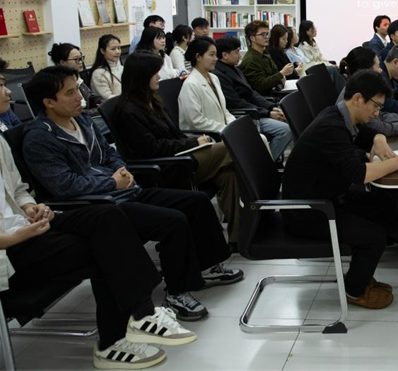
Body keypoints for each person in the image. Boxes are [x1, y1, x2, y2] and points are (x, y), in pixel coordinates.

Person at [21, 65, 244, 322]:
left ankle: (207, 266)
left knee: (197, 201)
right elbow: (64, 185)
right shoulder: (39, 138)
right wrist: (111, 182)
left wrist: (121, 171)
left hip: (123, 190)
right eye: (69, 93)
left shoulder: (81, 120)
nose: (79, 98)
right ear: (48, 102)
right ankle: (177, 292)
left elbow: (109, 153)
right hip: (99, 206)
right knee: (172, 221)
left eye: (77, 90)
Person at [0, 137, 197, 370]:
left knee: (106, 216)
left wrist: (31, 208)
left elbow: (18, 189)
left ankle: (141, 315)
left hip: (25, 227)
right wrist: (16, 236)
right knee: (104, 246)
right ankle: (122, 332)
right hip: (8, 249)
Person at [282, 70, 398, 309]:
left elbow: (367, 135)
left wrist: (378, 138)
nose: (377, 113)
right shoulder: (331, 127)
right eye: (375, 106)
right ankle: (354, 290)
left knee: (386, 205)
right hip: (309, 211)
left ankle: (360, 274)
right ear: (358, 99)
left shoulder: (338, 115)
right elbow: (359, 174)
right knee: (374, 236)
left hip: (327, 197)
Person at [114, 52, 242, 245]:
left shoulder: (152, 100)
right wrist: (193, 143)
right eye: (155, 73)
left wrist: (196, 141)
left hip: (182, 156)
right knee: (231, 147)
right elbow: (152, 149)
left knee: (229, 175)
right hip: (168, 167)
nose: (159, 77)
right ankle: (265, 195)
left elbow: (174, 134)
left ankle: (238, 238)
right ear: (142, 76)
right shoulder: (128, 111)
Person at [213, 36, 294, 162]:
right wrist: (267, 113)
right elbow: (236, 103)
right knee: (285, 131)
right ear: (225, 55)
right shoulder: (219, 75)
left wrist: (271, 107)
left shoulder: (235, 69)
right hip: (246, 115)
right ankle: (262, 165)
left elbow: (252, 93)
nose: (239, 55)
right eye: (237, 52)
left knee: (290, 119)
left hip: (255, 111)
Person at [339, 46, 398, 136]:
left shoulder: (361, 87)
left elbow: (379, 115)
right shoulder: (358, 93)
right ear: (366, 71)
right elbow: (378, 127)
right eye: (378, 66)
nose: (381, 71)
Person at [239, 20, 294, 96]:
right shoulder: (251, 60)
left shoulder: (265, 54)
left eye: (267, 34)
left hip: (275, 93)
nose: (267, 37)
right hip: (266, 98)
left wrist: (279, 77)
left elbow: (276, 76)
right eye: (263, 34)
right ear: (252, 38)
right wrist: (282, 73)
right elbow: (261, 86)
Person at [48, 42, 104, 113]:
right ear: (62, 62)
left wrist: (101, 102)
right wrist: (97, 110)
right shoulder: (60, 85)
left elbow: (90, 96)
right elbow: (74, 112)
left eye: (81, 58)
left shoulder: (76, 77)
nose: (81, 62)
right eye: (76, 59)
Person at [89, 34, 124, 101]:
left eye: (119, 48)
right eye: (113, 49)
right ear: (102, 51)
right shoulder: (98, 74)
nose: (118, 52)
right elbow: (109, 99)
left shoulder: (121, 68)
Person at [0, 57, 22, 133]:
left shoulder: (4, 109)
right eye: (0, 84)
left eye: (3, 84)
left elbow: (19, 128)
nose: (9, 91)